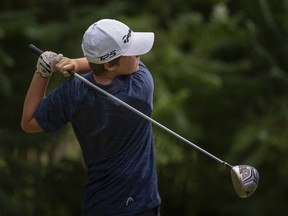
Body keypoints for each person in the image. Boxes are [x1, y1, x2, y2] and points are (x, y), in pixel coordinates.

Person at [21, 19, 161, 216]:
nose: (138, 54)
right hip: (141, 205)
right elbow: (99, 63)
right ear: (111, 65)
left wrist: (43, 71)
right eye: (131, 52)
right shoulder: (140, 86)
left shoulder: (74, 92)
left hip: (99, 205)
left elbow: (29, 122)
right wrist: (76, 63)